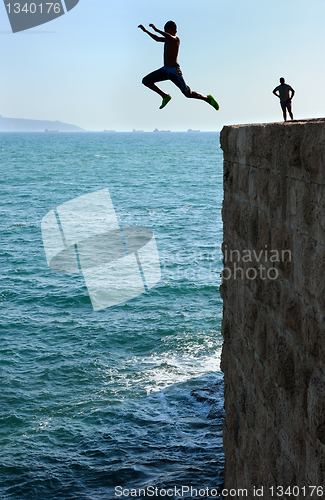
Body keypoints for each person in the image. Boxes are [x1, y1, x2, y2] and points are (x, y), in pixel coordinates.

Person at [138, 21, 219, 111]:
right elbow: (157, 39)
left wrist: (156, 29)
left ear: (175, 32)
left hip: (174, 71)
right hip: (165, 70)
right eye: (166, 32)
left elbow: (169, 36)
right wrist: (145, 30)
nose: (167, 34)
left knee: (188, 94)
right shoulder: (167, 39)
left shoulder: (175, 39)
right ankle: (165, 96)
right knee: (146, 81)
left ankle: (208, 99)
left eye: (169, 32)